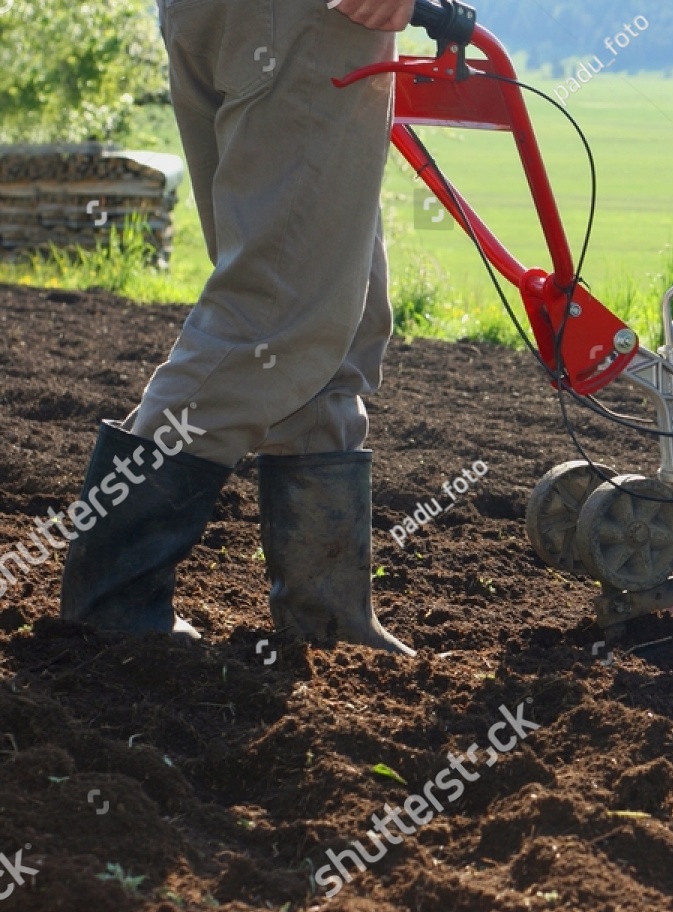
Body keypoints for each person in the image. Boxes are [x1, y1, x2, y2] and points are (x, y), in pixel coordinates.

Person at [59, 0, 418, 655]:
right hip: (302, 20)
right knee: (275, 317)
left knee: (337, 306)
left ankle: (327, 615)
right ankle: (111, 607)